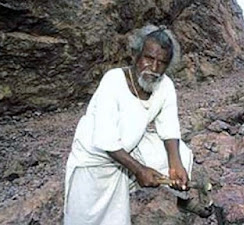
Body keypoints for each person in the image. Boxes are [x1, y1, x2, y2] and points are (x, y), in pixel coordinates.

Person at [64, 25, 213, 225]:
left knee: (180, 153)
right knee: (92, 219)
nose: (153, 67)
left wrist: (176, 165)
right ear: (136, 55)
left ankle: (183, 199)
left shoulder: (165, 85)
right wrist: (139, 170)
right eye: (148, 58)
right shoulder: (113, 81)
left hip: (131, 149)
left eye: (161, 63)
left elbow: (169, 126)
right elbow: (105, 139)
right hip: (95, 158)